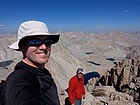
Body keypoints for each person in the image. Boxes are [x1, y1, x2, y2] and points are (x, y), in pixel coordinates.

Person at [5, 20, 60, 105]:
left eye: (47, 42)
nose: (44, 47)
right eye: (35, 42)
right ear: (22, 47)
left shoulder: (40, 73)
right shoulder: (21, 78)